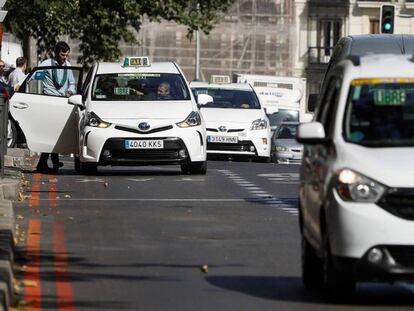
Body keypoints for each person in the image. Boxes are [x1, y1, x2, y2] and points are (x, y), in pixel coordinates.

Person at [36, 41, 75, 173]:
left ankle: (47, 163)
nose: (64, 57)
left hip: (62, 102)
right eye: (62, 54)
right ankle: (52, 162)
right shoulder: (46, 65)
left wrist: (70, 91)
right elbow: (34, 76)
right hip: (49, 100)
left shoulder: (68, 65)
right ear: (56, 53)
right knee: (50, 132)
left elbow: (72, 83)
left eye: (66, 55)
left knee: (56, 133)